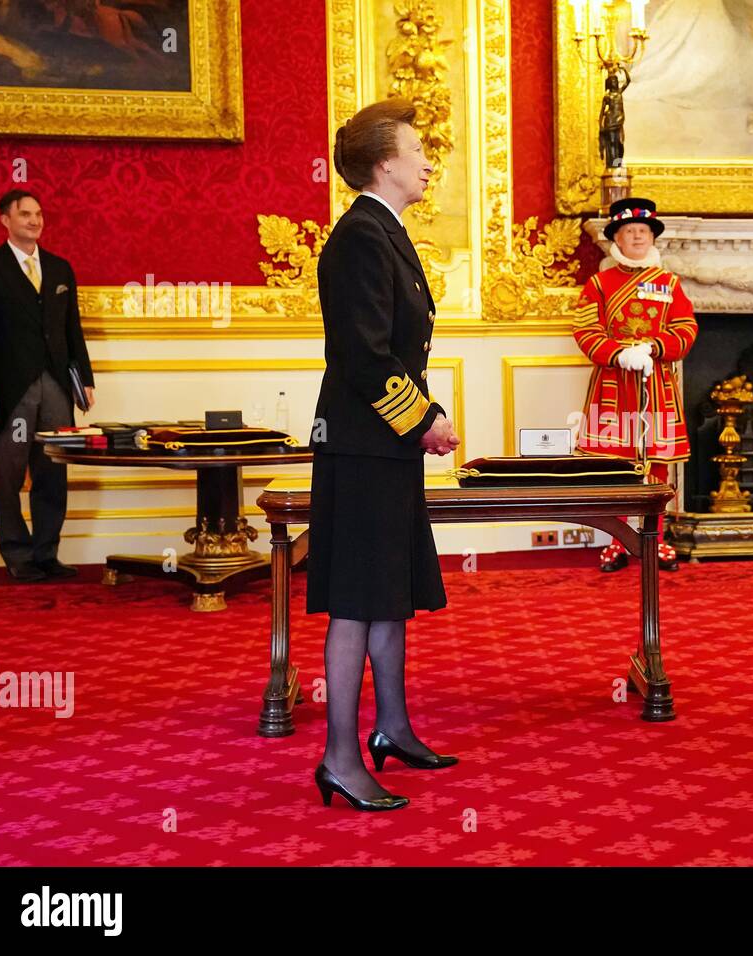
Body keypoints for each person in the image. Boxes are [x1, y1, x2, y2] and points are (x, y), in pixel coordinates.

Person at [308, 99, 461, 812]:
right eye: (418, 149)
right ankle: (340, 756)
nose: (429, 160)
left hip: (382, 447)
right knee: (357, 602)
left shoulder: (384, 231)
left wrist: (420, 421)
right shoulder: (361, 237)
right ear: (385, 162)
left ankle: (392, 728)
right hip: (367, 446)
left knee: (387, 595)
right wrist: (423, 418)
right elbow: (363, 355)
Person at [0, 189, 95, 583]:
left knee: (52, 471)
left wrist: (85, 381)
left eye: (39, 214)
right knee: (7, 473)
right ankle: (18, 555)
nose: (34, 221)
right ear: (5, 220)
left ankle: (46, 553)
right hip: (9, 390)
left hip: (57, 385)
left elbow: (72, 330)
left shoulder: (60, 269)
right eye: (25, 214)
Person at [573, 197, 698, 573]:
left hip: (656, 388)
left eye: (643, 231)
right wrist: (618, 353)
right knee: (616, 469)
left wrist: (655, 347)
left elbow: (686, 328)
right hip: (614, 387)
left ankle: (654, 541)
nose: (638, 237)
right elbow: (584, 329)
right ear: (618, 240)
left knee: (656, 467)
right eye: (630, 232)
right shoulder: (599, 283)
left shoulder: (668, 283)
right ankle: (617, 541)